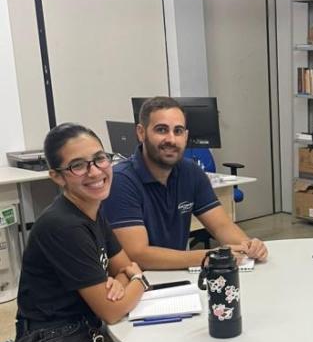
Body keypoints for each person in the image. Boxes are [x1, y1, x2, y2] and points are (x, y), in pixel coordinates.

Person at [11, 123, 201, 342]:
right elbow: (114, 308)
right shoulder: (64, 226)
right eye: (78, 165)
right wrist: (137, 282)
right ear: (57, 176)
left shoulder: (93, 212)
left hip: (82, 336)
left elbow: (124, 263)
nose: (95, 171)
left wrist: (124, 278)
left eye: (100, 158)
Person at [102, 96, 268, 270]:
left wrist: (247, 245)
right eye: (161, 130)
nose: (171, 139)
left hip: (177, 274)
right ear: (141, 132)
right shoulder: (121, 180)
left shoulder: (191, 172)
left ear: (186, 136)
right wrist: (208, 256)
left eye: (178, 131)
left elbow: (221, 226)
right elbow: (137, 254)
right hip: (137, 280)